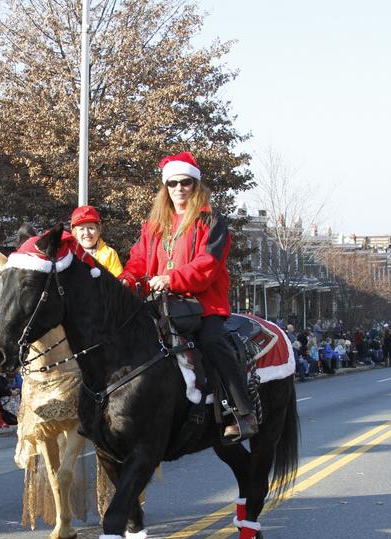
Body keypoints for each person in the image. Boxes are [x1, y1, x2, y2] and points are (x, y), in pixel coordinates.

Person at [119, 151, 256, 442]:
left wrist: (171, 279)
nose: (179, 189)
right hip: (160, 304)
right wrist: (128, 279)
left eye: (186, 183)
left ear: (196, 185)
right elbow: (138, 260)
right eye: (173, 183)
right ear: (165, 188)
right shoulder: (154, 224)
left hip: (202, 303)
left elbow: (207, 265)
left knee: (211, 342)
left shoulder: (211, 222)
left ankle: (241, 411)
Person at [69, 205, 123, 275]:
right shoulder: (70, 255)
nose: (86, 233)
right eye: (81, 229)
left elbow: (117, 281)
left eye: (91, 228)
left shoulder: (109, 254)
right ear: (75, 233)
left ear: (98, 230)